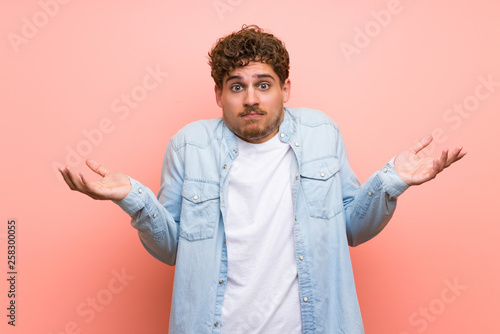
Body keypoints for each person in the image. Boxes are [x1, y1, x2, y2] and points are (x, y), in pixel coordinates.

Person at [59, 25, 466, 333]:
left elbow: (351, 229)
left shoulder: (322, 133)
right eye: (236, 86)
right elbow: (172, 250)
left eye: (263, 85)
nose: (251, 98)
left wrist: (391, 180)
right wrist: (132, 197)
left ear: (285, 89)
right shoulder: (189, 145)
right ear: (219, 94)